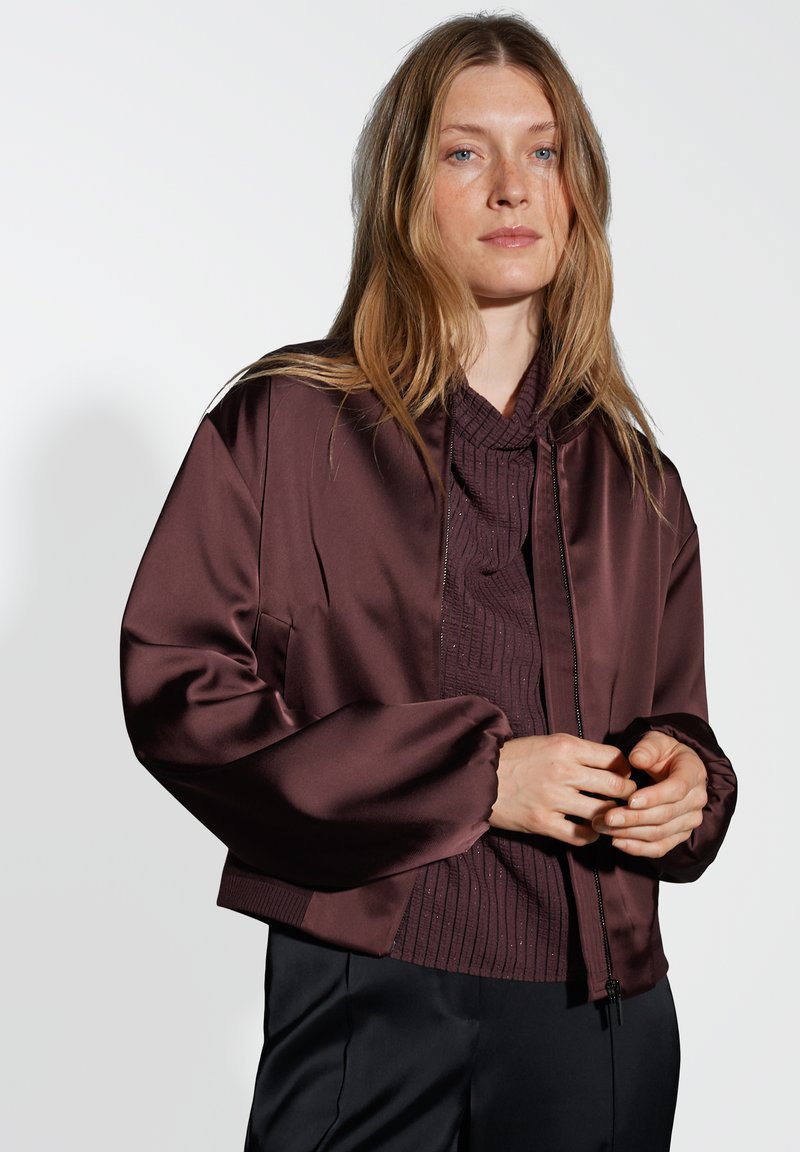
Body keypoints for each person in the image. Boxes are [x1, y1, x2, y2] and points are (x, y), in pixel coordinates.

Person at [120, 13, 737, 1151]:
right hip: (366, 1000)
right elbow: (179, 692)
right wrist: (476, 778)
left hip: (597, 1022)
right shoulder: (282, 426)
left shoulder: (640, 482)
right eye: (465, 152)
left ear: (579, 194)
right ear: (407, 191)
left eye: (543, 151)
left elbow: (677, 718)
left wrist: (686, 783)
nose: (511, 186)